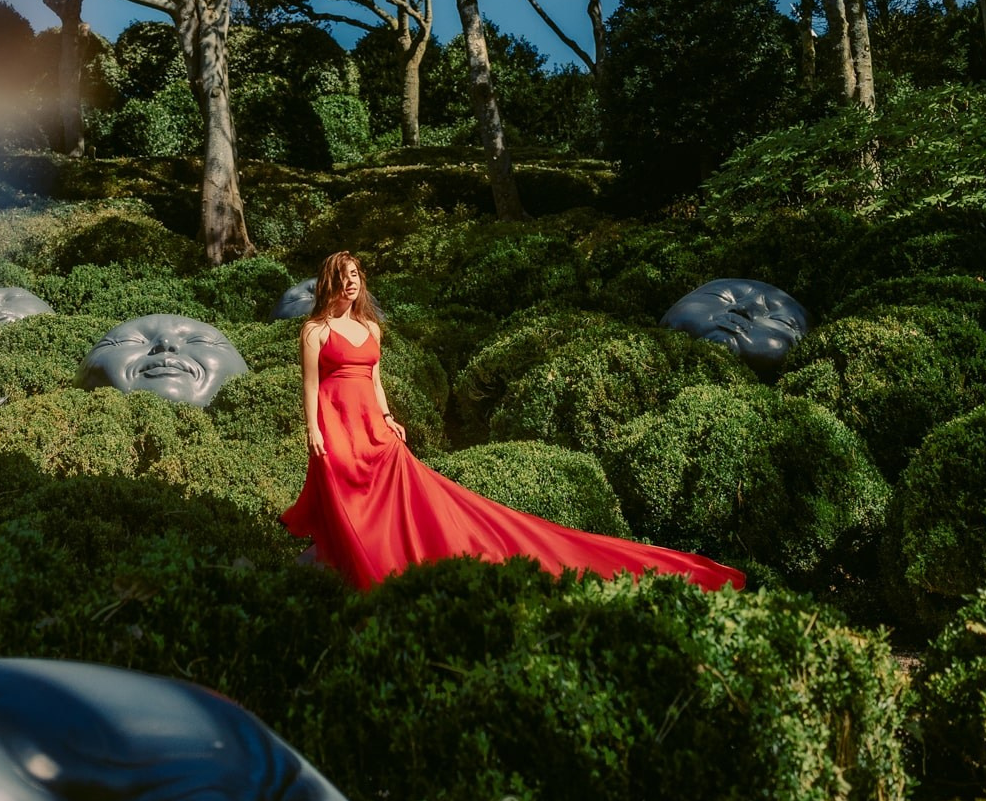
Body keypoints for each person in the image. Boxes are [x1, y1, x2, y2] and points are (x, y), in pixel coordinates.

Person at [279, 251, 745, 593]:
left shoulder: (371, 328)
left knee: (392, 494)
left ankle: (383, 553)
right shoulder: (315, 330)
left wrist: (388, 416)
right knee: (343, 491)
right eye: (343, 277)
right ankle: (349, 557)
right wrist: (313, 429)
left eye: (356, 275)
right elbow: (310, 386)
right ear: (330, 282)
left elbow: (375, 380)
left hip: (372, 424)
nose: (351, 283)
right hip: (336, 423)